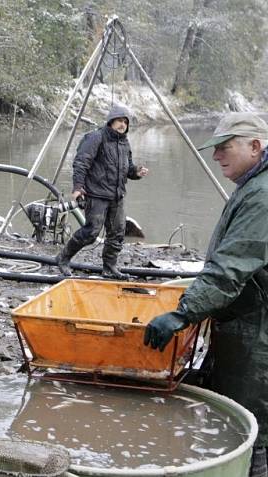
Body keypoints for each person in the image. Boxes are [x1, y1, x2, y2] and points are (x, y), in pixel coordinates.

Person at [144, 112, 268, 477]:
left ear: (255, 146)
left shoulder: (262, 196)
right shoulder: (252, 184)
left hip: (257, 329)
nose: (216, 157)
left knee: (252, 424)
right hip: (245, 317)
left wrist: (182, 314)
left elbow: (230, 267)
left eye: (224, 148)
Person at [55, 105, 149, 278]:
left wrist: (137, 172)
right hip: (96, 194)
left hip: (117, 196)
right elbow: (81, 163)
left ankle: (109, 267)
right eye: (120, 121)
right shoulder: (96, 138)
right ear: (111, 121)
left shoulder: (124, 142)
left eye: (125, 122)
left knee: (117, 233)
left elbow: (127, 168)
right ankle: (63, 258)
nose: (123, 125)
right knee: (91, 232)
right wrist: (77, 188)